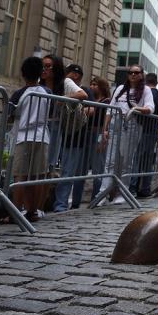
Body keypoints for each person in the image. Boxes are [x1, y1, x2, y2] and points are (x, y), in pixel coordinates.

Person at [3, 56, 53, 224]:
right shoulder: (48, 92)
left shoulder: (19, 94)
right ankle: (33, 211)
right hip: (42, 136)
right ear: (41, 73)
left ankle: (15, 212)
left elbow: (9, 116)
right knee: (38, 176)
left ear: (23, 74)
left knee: (20, 176)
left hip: (22, 136)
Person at [100, 66, 153, 205]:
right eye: (131, 72)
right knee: (110, 161)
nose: (133, 75)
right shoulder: (120, 88)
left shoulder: (146, 90)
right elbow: (110, 109)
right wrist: (104, 129)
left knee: (126, 162)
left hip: (132, 125)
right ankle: (102, 194)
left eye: (137, 72)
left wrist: (136, 109)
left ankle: (122, 193)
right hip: (115, 125)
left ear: (142, 74)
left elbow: (150, 108)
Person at [52, 63, 94, 212]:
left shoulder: (84, 90)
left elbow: (90, 109)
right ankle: (60, 203)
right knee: (63, 170)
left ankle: (62, 204)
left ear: (75, 75)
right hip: (62, 134)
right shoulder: (60, 86)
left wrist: (66, 100)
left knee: (70, 171)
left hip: (76, 137)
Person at [41, 55, 87, 173]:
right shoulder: (38, 82)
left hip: (54, 125)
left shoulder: (65, 82)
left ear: (55, 68)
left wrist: (64, 97)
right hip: (37, 125)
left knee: (48, 165)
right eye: (42, 66)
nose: (44, 69)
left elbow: (82, 94)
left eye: (47, 66)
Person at [132, 72, 158, 198]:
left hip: (143, 130)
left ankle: (133, 188)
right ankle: (145, 188)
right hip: (152, 130)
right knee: (147, 162)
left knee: (136, 159)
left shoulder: (147, 93)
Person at [87, 77, 112, 202]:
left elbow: (105, 122)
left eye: (95, 84)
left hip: (99, 133)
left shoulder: (107, 101)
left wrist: (102, 137)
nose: (92, 86)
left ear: (102, 86)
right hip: (89, 134)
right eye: (91, 84)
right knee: (93, 166)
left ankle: (97, 197)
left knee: (98, 167)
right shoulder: (92, 100)